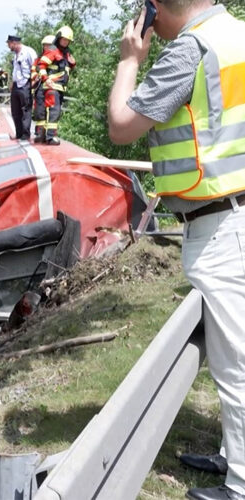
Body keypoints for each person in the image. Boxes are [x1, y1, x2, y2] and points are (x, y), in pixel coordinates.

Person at [108, 2, 245, 499]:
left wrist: (129, 61)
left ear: (156, 8)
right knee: (233, 353)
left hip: (223, 224)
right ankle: (234, 454)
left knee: (237, 362)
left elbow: (122, 126)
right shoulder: (237, 38)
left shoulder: (192, 48)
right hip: (235, 215)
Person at [36, 26, 76, 145]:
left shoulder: (66, 53)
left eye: (67, 40)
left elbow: (66, 67)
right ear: (58, 38)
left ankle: (45, 135)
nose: (65, 42)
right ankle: (50, 137)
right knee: (54, 111)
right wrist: (46, 79)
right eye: (63, 39)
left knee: (55, 111)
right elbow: (41, 65)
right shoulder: (53, 50)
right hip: (52, 86)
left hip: (60, 87)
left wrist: (73, 63)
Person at [7, 34, 37, 140]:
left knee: (26, 110)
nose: (8, 46)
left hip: (26, 84)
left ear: (15, 43)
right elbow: (16, 70)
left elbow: (35, 67)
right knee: (15, 110)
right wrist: (12, 83)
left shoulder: (29, 52)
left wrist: (33, 82)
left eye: (9, 44)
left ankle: (25, 134)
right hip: (16, 85)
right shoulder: (16, 55)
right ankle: (18, 133)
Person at [32, 35, 56, 143]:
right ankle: (39, 133)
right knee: (39, 110)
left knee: (51, 111)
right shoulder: (38, 60)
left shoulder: (55, 59)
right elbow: (33, 71)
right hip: (39, 86)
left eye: (49, 45)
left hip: (51, 87)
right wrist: (35, 77)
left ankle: (50, 135)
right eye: (45, 45)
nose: (47, 47)